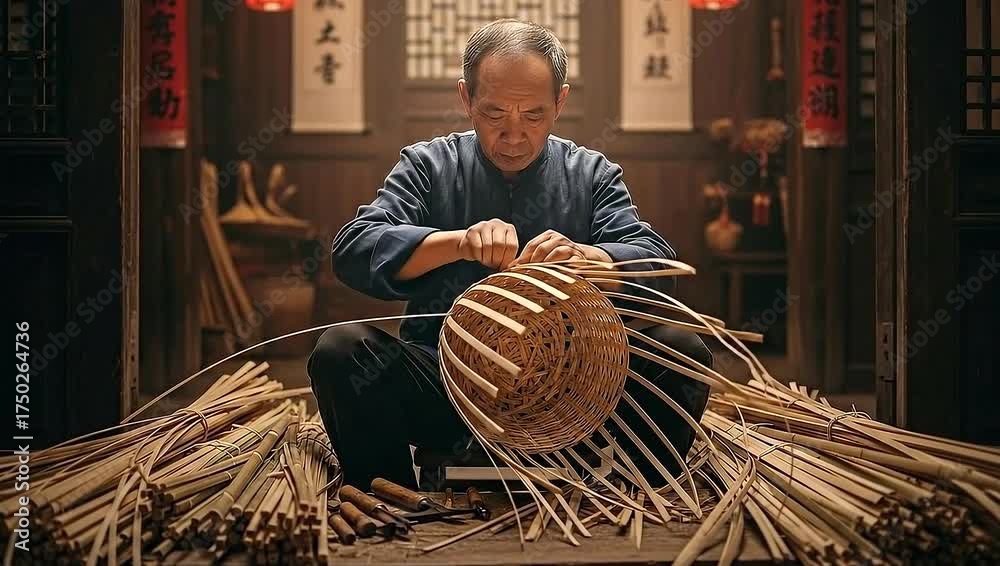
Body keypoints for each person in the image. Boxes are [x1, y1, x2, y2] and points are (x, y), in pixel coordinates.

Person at [309, 19, 712, 490]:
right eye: (495, 113)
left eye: (534, 115)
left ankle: (622, 495)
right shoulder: (429, 166)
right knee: (341, 352)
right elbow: (355, 248)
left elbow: (659, 266)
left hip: (575, 401)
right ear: (466, 100)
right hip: (448, 391)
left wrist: (591, 259)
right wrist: (456, 241)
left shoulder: (591, 175)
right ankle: (393, 498)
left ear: (560, 102)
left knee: (683, 352)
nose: (514, 135)